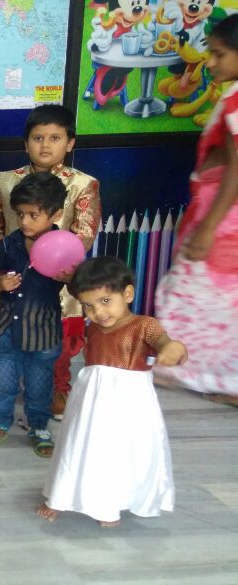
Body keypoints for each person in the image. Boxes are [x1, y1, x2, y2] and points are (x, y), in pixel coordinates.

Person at [0, 105, 101, 420]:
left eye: (55, 138)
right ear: (26, 142)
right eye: (38, 137)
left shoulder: (82, 184)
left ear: (70, 143)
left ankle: (58, 387)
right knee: (1, 330)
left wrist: (60, 259)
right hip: (10, 271)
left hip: (57, 276)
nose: (45, 145)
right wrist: (6, 252)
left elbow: (85, 231)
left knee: (54, 335)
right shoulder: (6, 179)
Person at [40, 257, 187, 527]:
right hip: (90, 398)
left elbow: (167, 343)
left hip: (127, 401)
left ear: (127, 294)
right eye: (88, 305)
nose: (98, 312)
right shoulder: (93, 328)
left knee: (118, 450)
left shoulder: (144, 325)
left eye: (106, 301)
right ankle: (62, 496)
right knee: (79, 444)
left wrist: (172, 349)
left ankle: (110, 503)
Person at [154, 14, 238, 404]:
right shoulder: (231, 95)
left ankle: (192, 368)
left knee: (191, 292)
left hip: (222, 219)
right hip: (218, 213)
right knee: (221, 301)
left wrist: (208, 228)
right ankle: (219, 378)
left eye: (220, 54)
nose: (211, 62)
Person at [0, 172, 72, 458]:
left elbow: (82, 288)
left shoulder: (66, 246)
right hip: (7, 328)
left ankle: (39, 426)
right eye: (20, 215)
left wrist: (72, 278)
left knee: (40, 385)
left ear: (55, 214)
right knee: (2, 382)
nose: (25, 222)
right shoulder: (9, 244)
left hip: (43, 332)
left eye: (33, 215)